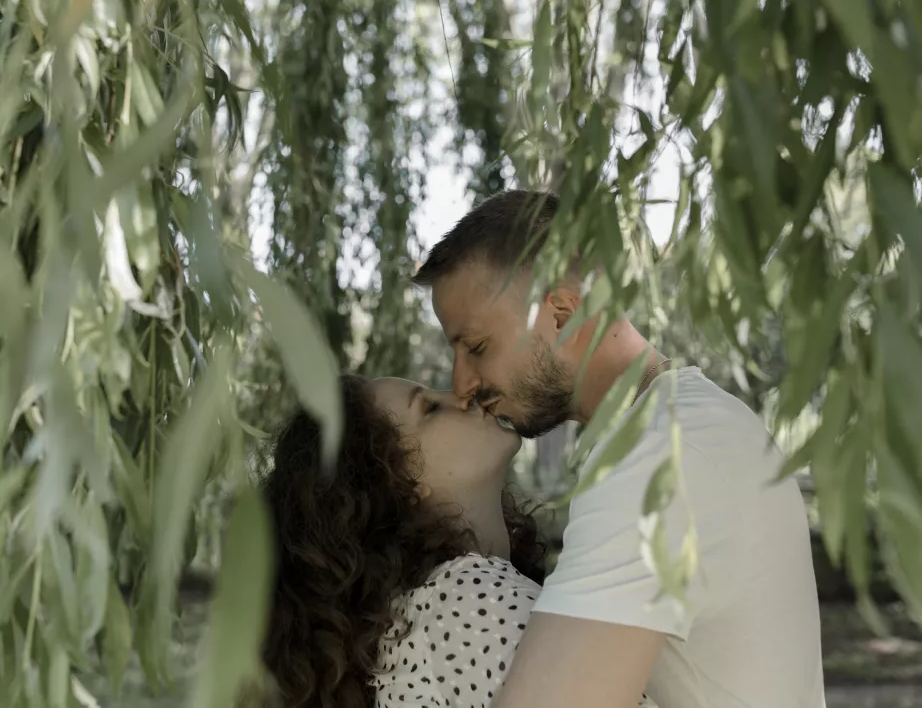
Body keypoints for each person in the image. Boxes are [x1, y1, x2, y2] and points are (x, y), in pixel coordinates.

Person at [410, 189, 826, 708]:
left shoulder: (656, 458)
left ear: (560, 310)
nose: (461, 382)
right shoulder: (694, 423)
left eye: (476, 347)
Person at [260, 373, 548, 708]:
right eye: (430, 409)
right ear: (401, 482)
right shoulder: (463, 601)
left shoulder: (415, 619)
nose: (463, 394)